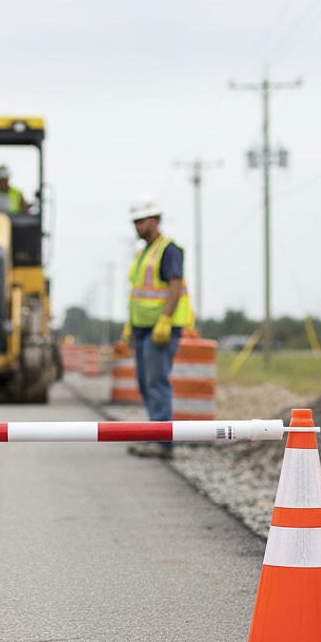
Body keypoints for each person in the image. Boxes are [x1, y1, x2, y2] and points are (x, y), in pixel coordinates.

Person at [126, 195, 193, 458]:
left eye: (141, 220)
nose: (137, 226)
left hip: (160, 329)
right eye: (135, 221)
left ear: (155, 220)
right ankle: (155, 434)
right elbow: (138, 292)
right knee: (146, 383)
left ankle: (163, 442)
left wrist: (165, 320)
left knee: (156, 383)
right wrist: (130, 325)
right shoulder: (144, 252)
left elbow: (175, 285)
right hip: (142, 329)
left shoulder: (168, 250)